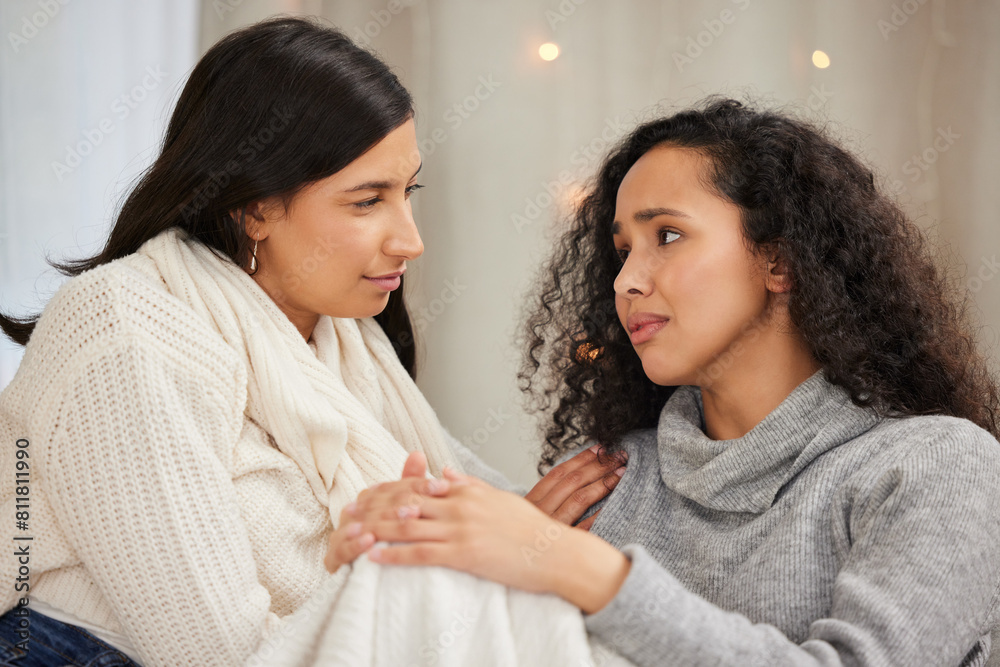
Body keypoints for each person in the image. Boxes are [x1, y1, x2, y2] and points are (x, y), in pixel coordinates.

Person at [0, 17, 625, 666]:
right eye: (366, 201)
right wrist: (391, 557)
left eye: (405, 192)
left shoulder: (339, 336)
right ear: (255, 208)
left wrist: (518, 533)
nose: (410, 239)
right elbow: (217, 656)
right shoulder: (124, 328)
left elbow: (476, 507)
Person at [340, 98, 1000, 666]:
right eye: (625, 248)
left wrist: (584, 572)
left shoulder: (937, 467)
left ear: (781, 259)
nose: (627, 280)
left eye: (669, 234)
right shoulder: (611, 478)